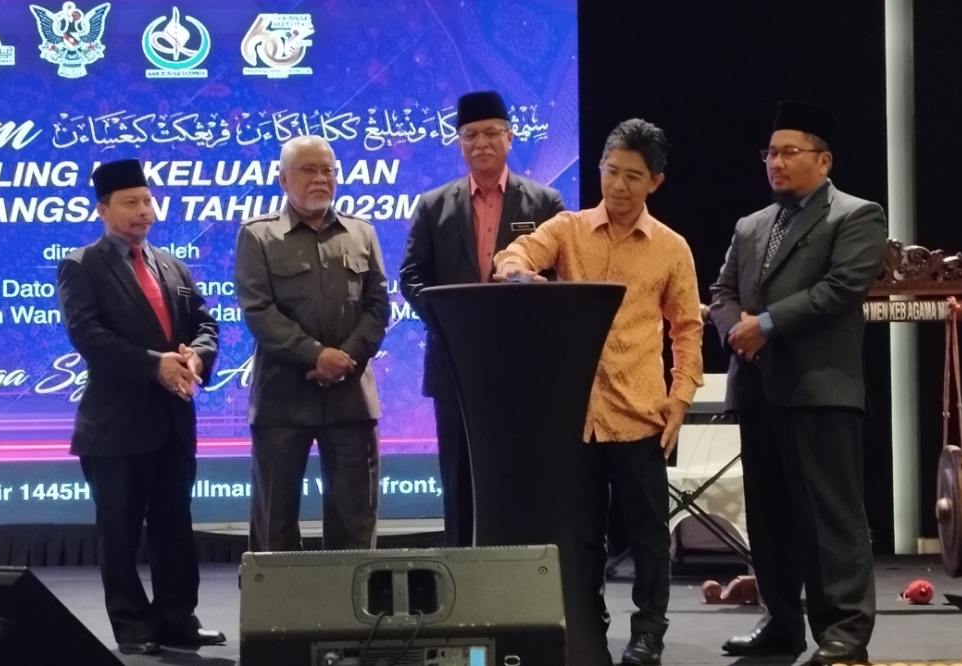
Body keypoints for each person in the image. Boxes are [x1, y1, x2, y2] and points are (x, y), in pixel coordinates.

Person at [492, 118, 703, 666]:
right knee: (580, 534)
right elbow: (511, 257)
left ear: (654, 181)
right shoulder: (567, 229)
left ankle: (649, 629)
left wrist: (679, 401)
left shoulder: (671, 248)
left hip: (639, 412)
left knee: (649, 536)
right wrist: (521, 277)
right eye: (611, 171)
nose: (619, 185)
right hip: (575, 413)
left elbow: (687, 328)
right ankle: (587, 623)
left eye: (633, 176)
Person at [709, 100, 886, 665]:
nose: (775, 162)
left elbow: (841, 288)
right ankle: (781, 624)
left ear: (823, 159)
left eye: (789, 152)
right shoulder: (751, 224)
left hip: (819, 389)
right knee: (769, 516)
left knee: (830, 517)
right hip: (758, 388)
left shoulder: (856, 215)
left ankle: (845, 635)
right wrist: (736, 328)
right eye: (770, 152)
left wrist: (765, 325)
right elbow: (721, 293)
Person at [56, 158, 223, 655]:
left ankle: (177, 619)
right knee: (120, 529)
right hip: (115, 426)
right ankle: (132, 627)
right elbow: (87, 335)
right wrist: (156, 365)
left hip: (173, 422)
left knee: (175, 523)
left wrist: (198, 354)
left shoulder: (171, 264)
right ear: (103, 209)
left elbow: (205, 323)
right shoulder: (81, 265)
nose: (143, 211)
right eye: (130, 202)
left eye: (147, 200)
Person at [398, 90, 565, 547]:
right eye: (470, 135)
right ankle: (460, 580)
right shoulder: (434, 205)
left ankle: (521, 578)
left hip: (522, 366)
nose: (481, 143)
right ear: (459, 142)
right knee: (456, 477)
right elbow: (411, 275)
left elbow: (561, 273)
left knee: (522, 474)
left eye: (492, 133)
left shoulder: (544, 203)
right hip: (454, 360)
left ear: (510, 138)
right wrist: (450, 323)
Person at [235, 135, 388, 553]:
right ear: (283, 179)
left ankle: (354, 615)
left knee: (355, 522)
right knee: (275, 524)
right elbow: (259, 311)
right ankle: (278, 616)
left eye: (328, 170)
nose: (321, 178)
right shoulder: (258, 236)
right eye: (309, 169)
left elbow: (378, 308)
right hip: (283, 399)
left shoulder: (362, 233)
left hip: (351, 399)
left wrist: (345, 358)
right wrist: (316, 355)